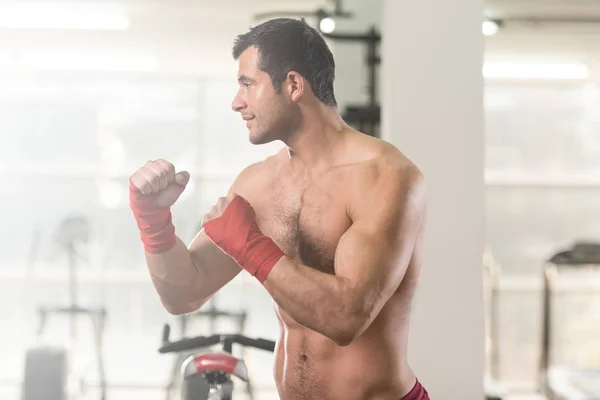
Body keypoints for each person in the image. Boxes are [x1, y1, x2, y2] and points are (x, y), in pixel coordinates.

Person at [129, 18, 429, 400]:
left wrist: (250, 245)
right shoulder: (259, 184)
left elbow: (346, 317)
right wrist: (154, 223)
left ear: (292, 85)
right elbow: (183, 293)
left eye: (248, 85)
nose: (236, 102)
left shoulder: (386, 177)